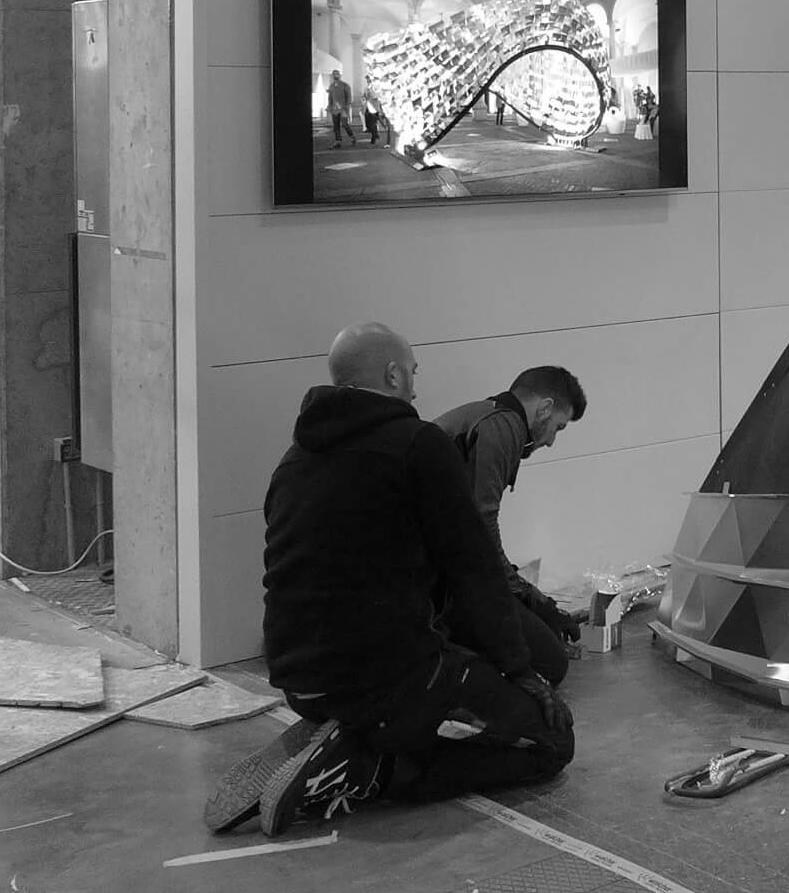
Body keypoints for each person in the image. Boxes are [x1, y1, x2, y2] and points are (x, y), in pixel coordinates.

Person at [208, 322, 573, 837]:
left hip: (298, 679)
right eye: (415, 372)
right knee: (551, 743)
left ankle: (345, 735)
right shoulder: (419, 444)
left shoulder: (294, 459)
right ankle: (369, 768)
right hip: (383, 678)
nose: (418, 387)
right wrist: (520, 670)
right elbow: (475, 570)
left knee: (443, 672)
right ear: (394, 373)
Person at [432, 365, 589, 685]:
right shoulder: (503, 426)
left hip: (444, 576)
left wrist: (525, 595)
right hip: (439, 588)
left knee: (544, 636)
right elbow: (483, 535)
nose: (551, 443)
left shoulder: (486, 415)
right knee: (550, 663)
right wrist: (533, 597)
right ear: (544, 408)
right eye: (558, 428)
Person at [325, 70, 353, 148]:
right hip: (334, 109)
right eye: (334, 74)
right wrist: (329, 107)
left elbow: (349, 97)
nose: (335, 75)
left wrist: (347, 106)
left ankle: (352, 137)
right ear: (333, 76)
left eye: (337, 74)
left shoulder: (345, 85)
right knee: (336, 126)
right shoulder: (331, 86)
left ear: (339, 75)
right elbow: (330, 98)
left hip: (343, 108)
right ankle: (338, 141)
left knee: (344, 124)